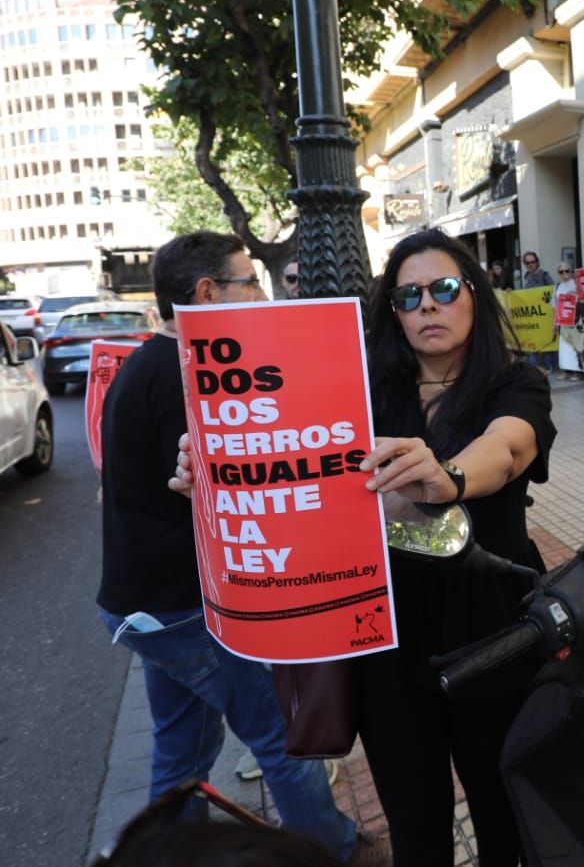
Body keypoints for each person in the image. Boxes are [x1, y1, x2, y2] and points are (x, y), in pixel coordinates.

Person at [97, 232, 365, 864]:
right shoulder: (183, 374)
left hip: (146, 605)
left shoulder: (154, 363)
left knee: (182, 748)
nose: (262, 294)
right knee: (278, 739)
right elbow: (227, 487)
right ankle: (336, 850)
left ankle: (164, 854)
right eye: (250, 282)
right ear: (208, 293)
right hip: (183, 608)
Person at [356, 228, 556, 867]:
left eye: (444, 289)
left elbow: (510, 446)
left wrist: (450, 479)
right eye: (408, 296)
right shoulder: (361, 391)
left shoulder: (514, 381)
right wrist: (221, 474)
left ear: (474, 293)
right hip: (388, 638)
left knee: (506, 812)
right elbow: (301, 469)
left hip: (494, 628)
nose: (427, 307)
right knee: (415, 825)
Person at [519, 252, 555, 369]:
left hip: (544, 316)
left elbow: (553, 291)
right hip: (532, 316)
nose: (530, 264)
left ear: (537, 262)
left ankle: (548, 366)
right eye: (527, 262)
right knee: (533, 341)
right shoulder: (526, 276)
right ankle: (534, 366)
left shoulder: (544, 275)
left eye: (532, 262)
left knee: (545, 341)